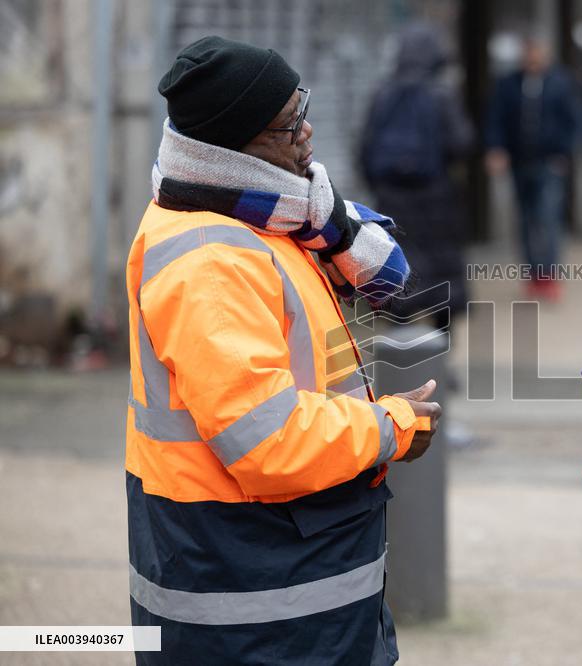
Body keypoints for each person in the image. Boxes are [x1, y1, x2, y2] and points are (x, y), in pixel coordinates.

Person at [126, 35, 441, 665]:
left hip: (283, 573)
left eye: (303, 111)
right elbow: (267, 441)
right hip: (256, 599)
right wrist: (393, 425)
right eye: (288, 124)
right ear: (236, 143)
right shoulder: (212, 259)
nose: (308, 134)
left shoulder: (261, 215)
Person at [361, 21, 474, 332]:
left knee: (400, 272)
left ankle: (403, 355)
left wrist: (382, 188)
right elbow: (461, 143)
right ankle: (441, 355)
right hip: (437, 199)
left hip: (393, 200)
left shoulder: (382, 93)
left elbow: (365, 149)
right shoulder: (442, 94)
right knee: (442, 275)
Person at [484, 34, 578, 301]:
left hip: (549, 163)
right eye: (528, 51)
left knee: (548, 218)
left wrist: (563, 153)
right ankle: (533, 274)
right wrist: (496, 149)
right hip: (519, 163)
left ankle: (549, 275)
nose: (532, 57)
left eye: (537, 51)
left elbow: (573, 121)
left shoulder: (560, 83)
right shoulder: (508, 84)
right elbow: (496, 119)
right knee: (524, 220)